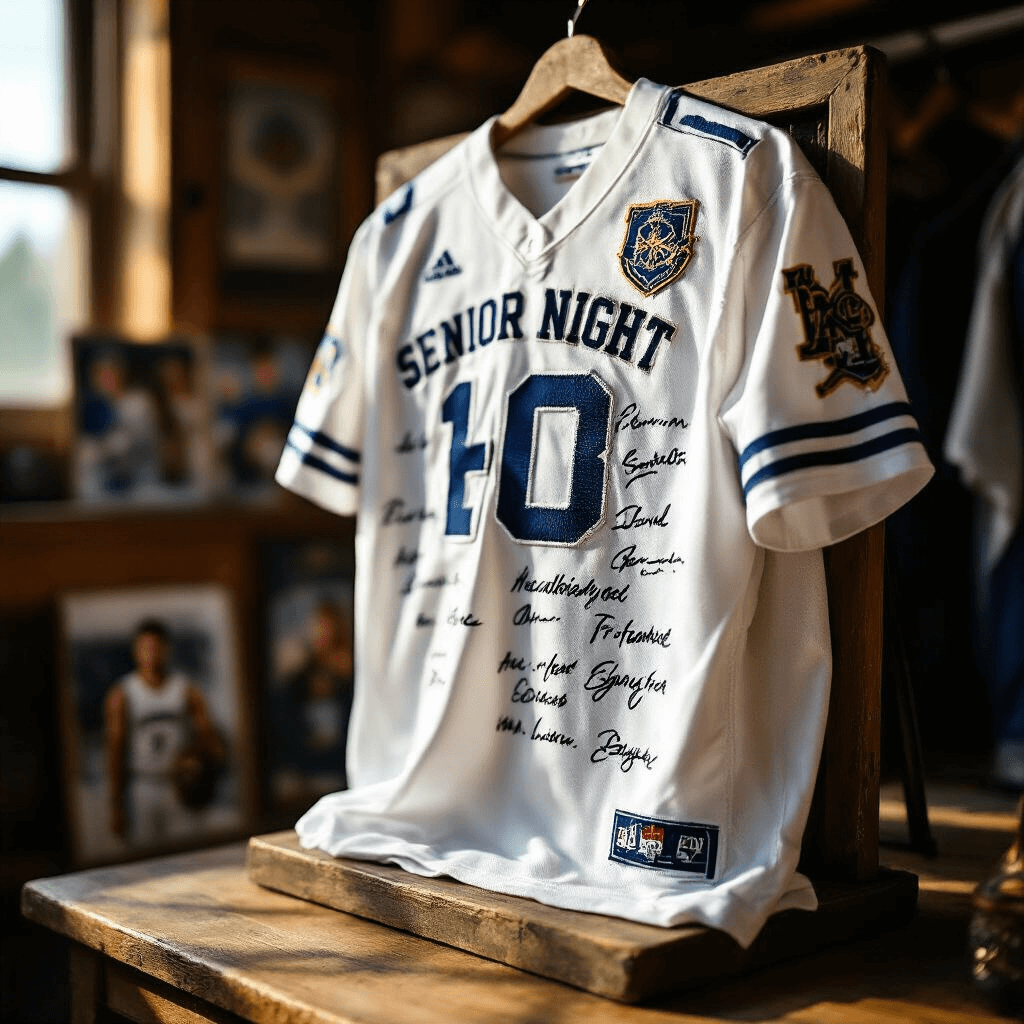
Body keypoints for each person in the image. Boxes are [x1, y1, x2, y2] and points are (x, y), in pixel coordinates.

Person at [104, 619, 225, 845]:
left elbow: (208, 735)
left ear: (167, 649)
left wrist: (195, 757)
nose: (151, 654)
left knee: (187, 854)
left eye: (156, 647)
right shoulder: (123, 694)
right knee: (144, 859)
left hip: (178, 784)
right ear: (135, 651)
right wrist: (116, 805)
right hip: (143, 784)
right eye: (145, 648)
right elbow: (115, 748)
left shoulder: (186, 689)